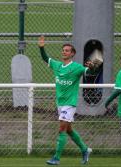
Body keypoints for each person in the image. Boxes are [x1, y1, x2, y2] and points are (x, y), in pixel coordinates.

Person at [38, 36, 93, 165]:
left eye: (67, 50)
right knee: (68, 130)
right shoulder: (57, 65)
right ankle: (85, 150)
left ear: (72, 53)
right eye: (63, 50)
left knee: (61, 129)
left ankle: (56, 158)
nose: (64, 52)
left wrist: (92, 68)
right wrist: (41, 48)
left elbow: (89, 73)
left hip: (70, 103)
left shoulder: (77, 67)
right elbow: (46, 58)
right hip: (60, 103)